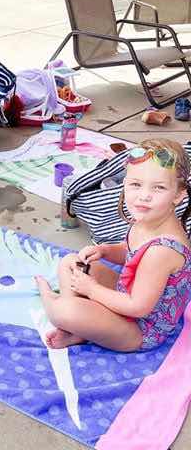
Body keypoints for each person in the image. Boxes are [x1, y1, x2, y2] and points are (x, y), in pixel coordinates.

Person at [37, 138, 191, 352]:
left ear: (178, 195)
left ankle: (53, 302)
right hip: (126, 295)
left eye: (159, 188)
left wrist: (92, 290)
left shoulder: (162, 251)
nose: (144, 196)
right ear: (124, 183)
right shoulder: (149, 218)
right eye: (136, 184)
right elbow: (131, 251)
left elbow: (138, 308)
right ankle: (81, 330)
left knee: (65, 310)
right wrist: (105, 251)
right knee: (71, 263)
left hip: (140, 330)